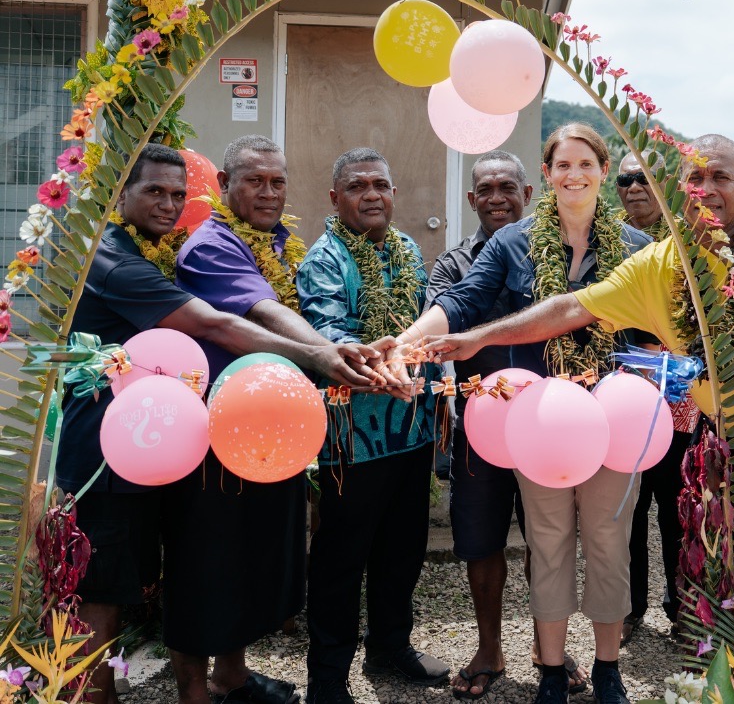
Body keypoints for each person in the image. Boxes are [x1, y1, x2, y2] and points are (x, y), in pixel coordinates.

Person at [419, 133, 734, 631]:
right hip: (724, 449)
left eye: (720, 177)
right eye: (695, 178)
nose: (706, 189)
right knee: (732, 583)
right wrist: (477, 337)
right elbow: (570, 308)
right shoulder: (658, 265)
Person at [57, 143, 382, 704]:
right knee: (101, 588)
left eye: (177, 194)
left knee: (158, 575)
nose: (168, 205)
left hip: (154, 446)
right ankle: (94, 697)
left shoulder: (156, 251)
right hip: (104, 455)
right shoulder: (113, 260)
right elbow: (215, 324)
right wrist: (321, 356)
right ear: (120, 195)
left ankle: (216, 680)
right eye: (153, 192)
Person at [393, 124, 652, 704]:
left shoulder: (638, 247)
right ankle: (552, 673)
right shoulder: (513, 241)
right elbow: (462, 300)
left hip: (614, 423)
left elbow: (662, 326)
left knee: (609, 545)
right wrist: (407, 342)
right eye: (563, 165)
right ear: (548, 174)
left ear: (603, 170)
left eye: (585, 164)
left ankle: (608, 669)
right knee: (549, 544)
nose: (574, 175)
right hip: (544, 426)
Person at [166, 135, 387, 704]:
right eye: (254, 181)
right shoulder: (210, 246)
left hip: (265, 431)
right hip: (213, 434)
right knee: (206, 561)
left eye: (277, 182)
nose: (268, 193)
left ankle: (232, 677)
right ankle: (194, 692)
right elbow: (264, 312)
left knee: (247, 558)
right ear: (223, 184)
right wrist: (327, 355)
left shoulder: (277, 243)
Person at [296, 147, 449, 704]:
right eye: (358, 186)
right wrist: (380, 365)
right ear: (335, 198)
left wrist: (433, 385)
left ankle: (389, 646)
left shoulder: (406, 249)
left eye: (380, 185)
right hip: (353, 441)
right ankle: (328, 678)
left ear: (393, 193)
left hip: (411, 430)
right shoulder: (324, 260)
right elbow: (331, 337)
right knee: (342, 558)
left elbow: (425, 328)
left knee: (402, 549)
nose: (371, 195)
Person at [425, 150, 540, 699]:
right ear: (471, 199)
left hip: (549, 424)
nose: (497, 198)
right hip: (478, 424)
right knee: (479, 538)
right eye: (486, 190)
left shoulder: (550, 254)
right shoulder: (453, 264)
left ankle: (548, 646)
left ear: (528, 194)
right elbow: (445, 317)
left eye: (507, 187)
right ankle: (489, 647)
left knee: (549, 539)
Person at [613, 151, 700, 644]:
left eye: (644, 178)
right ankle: (629, 608)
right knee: (627, 510)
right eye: (625, 179)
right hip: (621, 403)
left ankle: (683, 608)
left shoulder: (692, 241)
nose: (634, 188)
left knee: (677, 509)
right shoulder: (607, 241)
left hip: (680, 403)